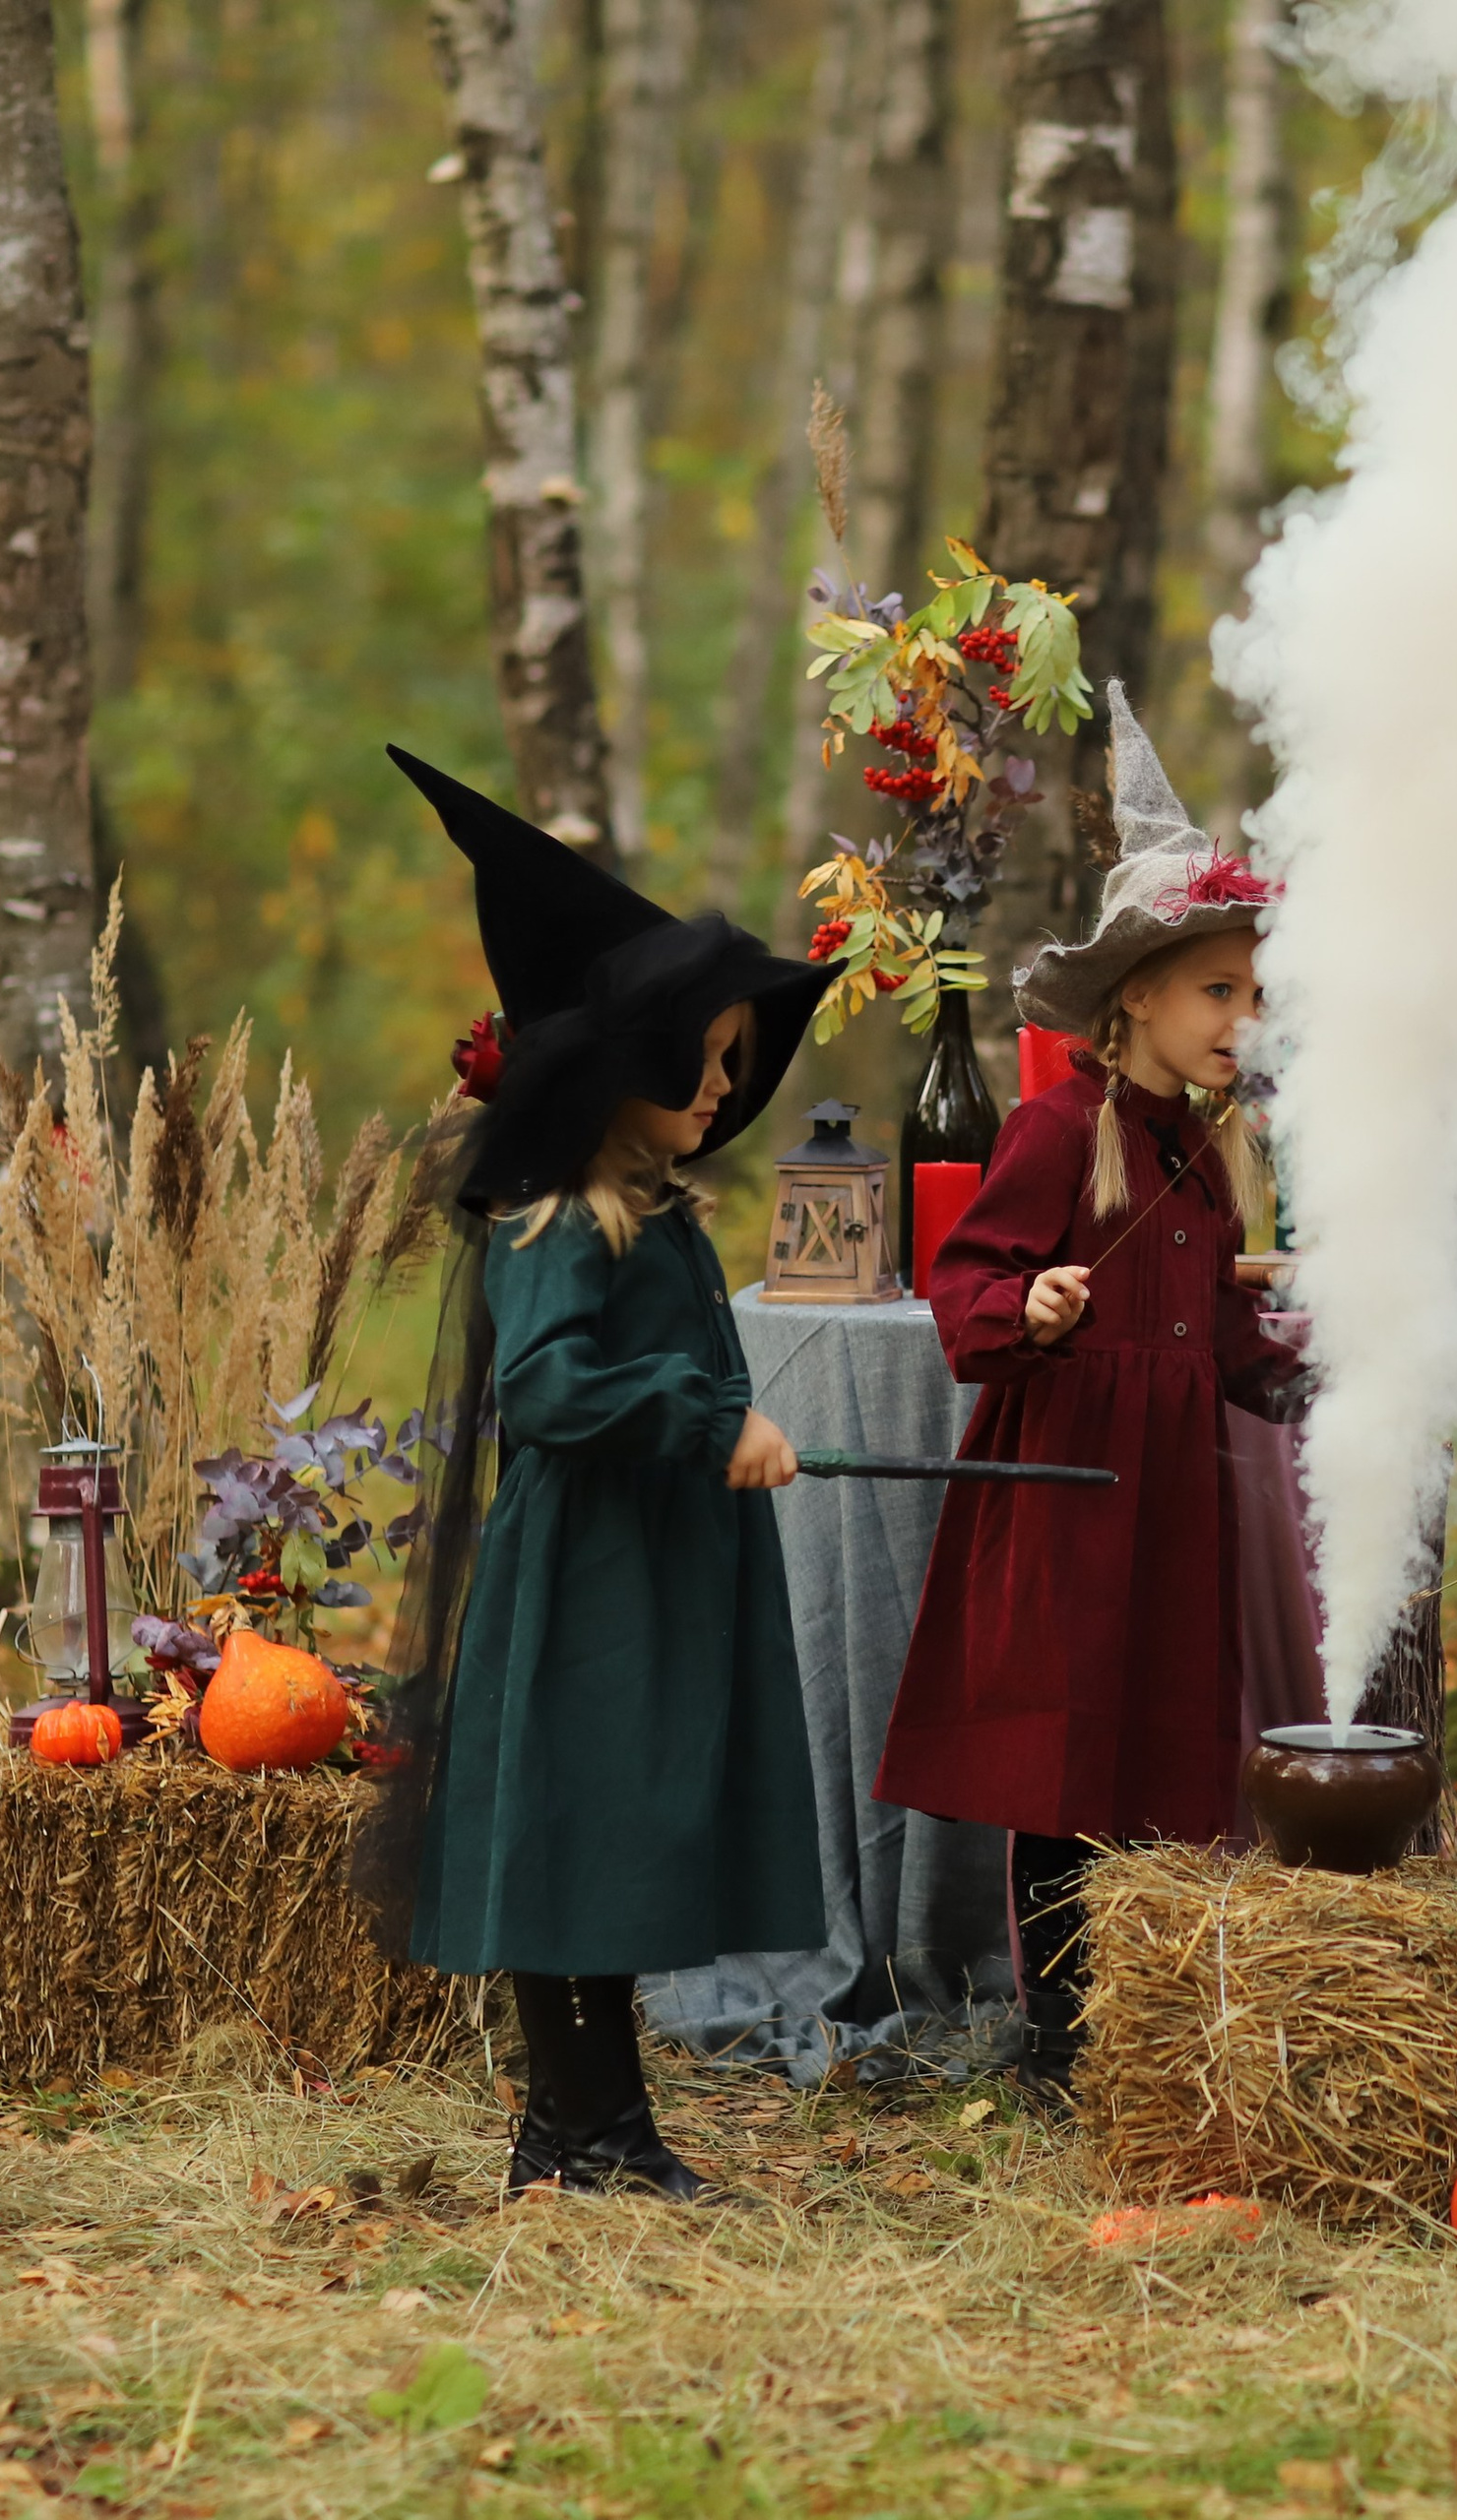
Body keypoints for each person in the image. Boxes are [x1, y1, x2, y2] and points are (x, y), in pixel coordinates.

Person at [360, 747, 832, 2200]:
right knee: (574, 1835)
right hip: (586, 1578)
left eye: (732, 1064)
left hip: (653, 1567)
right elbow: (552, 1386)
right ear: (614, 1066)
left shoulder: (657, 1212)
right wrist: (705, 1420)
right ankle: (588, 2133)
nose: (721, 1081)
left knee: (618, 1833)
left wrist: (719, 1419)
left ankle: (578, 2130)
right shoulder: (562, 1216)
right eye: (698, 1056)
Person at [873, 685, 1304, 2105]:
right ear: (1140, 1000)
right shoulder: (1063, 1131)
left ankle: (1143, 2013)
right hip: (1067, 1487)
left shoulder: (1224, 1150)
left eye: (1253, 992)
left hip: (1173, 1495)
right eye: (1218, 990)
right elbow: (964, 1291)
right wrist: (1032, 1306)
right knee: (1067, 1760)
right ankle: (1053, 2025)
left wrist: (1307, 1350)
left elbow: (1238, 1353)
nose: (1243, 1018)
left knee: (1168, 1744)